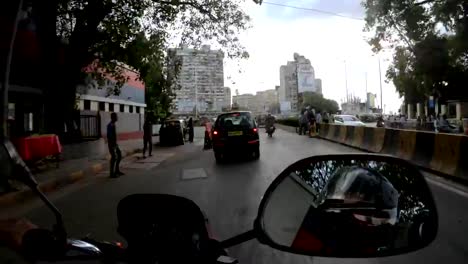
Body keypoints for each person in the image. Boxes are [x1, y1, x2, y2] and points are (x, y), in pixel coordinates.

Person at [107, 112, 123, 178]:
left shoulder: (113, 124)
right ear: (113, 117)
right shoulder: (110, 125)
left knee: (119, 155)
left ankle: (116, 170)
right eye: (116, 116)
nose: (117, 118)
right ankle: (111, 173)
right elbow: (109, 136)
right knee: (114, 157)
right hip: (112, 144)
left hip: (114, 143)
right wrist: (113, 144)